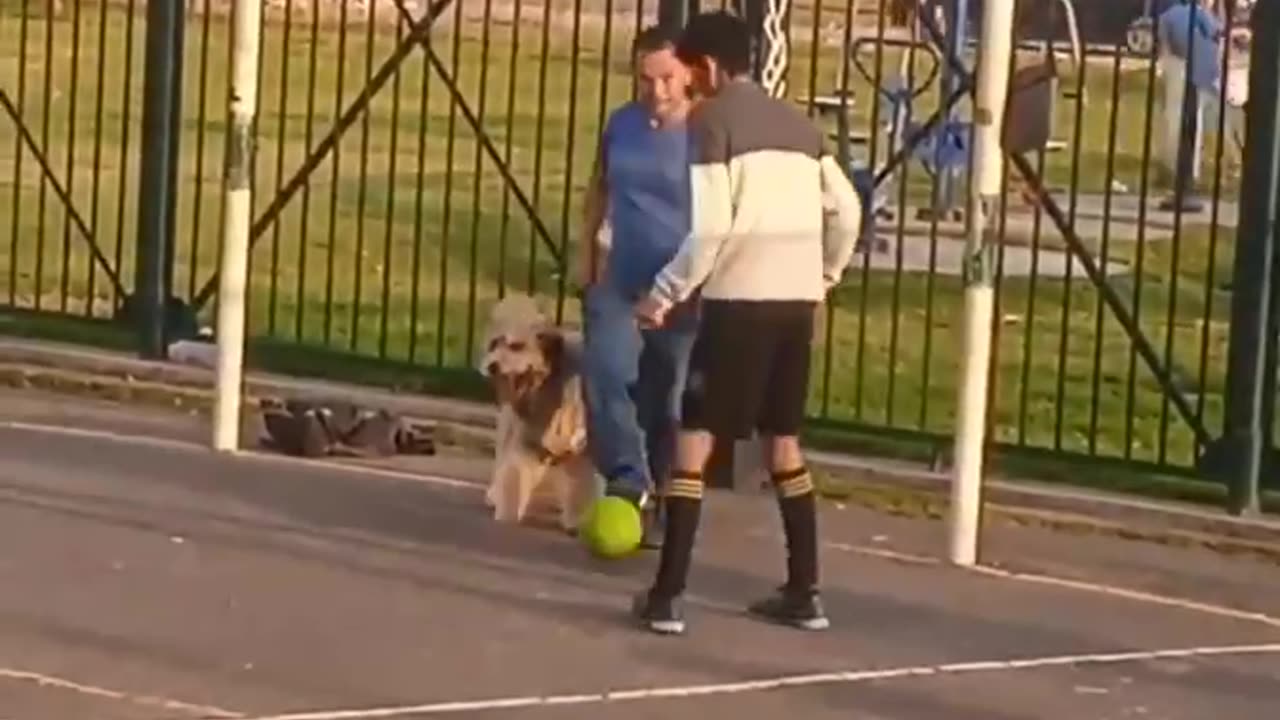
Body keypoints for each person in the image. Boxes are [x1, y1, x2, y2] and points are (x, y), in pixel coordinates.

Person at [629, 11, 863, 635]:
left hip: (739, 305)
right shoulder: (800, 125)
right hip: (795, 304)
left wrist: (663, 293)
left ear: (706, 67)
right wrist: (827, 274)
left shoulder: (712, 123)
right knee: (782, 443)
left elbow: (709, 231)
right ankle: (804, 589)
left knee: (695, 441)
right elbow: (847, 208)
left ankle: (668, 595)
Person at [580, 25, 698, 548]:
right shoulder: (622, 125)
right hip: (622, 276)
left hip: (682, 284)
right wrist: (587, 253)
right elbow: (600, 187)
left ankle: (670, 493)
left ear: (689, 74)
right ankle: (628, 482)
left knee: (666, 394)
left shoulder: (706, 131)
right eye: (646, 79)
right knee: (606, 374)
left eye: (668, 78)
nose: (658, 91)